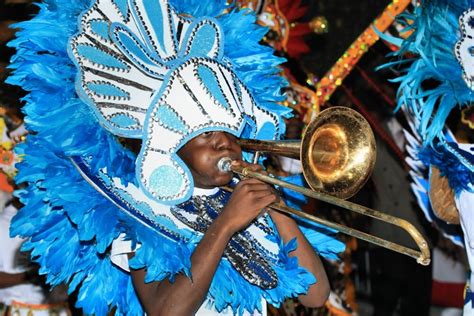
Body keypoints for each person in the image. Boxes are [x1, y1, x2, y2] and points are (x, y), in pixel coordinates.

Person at [7, 0, 345, 314]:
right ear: (171, 145)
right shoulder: (137, 206)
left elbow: (314, 295)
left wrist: (276, 209)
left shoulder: (245, 199)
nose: (224, 144)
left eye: (230, 133)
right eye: (207, 134)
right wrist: (226, 224)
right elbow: (165, 310)